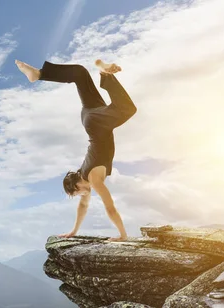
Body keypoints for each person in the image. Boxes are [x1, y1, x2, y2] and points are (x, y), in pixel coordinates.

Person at [15, 59, 137, 241]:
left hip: (96, 122)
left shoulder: (93, 179)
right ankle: (42, 74)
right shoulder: (84, 173)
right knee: (80, 74)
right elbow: (83, 207)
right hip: (91, 111)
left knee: (128, 109)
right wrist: (74, 231)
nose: (82, 195)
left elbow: (110, 207)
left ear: (76, 185)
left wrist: (123, 235)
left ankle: (106, 75)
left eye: (77, 192)